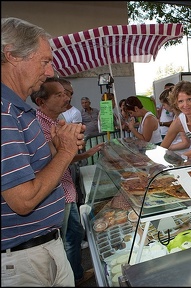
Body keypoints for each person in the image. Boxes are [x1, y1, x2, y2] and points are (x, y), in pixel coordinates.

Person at [1, 17, 85, 286]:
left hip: (42, 249)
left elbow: (35, 167)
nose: (49, 72)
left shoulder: (20, 109)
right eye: (45, 61)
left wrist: (60, 146)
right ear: (12, 56)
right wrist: (65, 152)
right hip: (26, 260)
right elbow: (23, 200)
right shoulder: (4, 112)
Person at [30, 78, 102, 285]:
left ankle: (76, 275)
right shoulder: (38, 125)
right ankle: (70, 278)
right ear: (41, 101)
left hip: (65, 189)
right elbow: (51, 160)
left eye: (67, 93)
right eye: (59, 94)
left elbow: (65, 155)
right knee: (66, 240)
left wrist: (84, 153)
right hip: (55, 194)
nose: (67, 98)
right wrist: (67, 148)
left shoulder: (56, 122)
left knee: (74, 234)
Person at [159, 87, 190, 153]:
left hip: (183, 153)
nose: (163, 107)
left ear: (170, 103)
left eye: (164, 105)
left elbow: (185, 143)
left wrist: (168, 147)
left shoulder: (180, 117)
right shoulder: (176, 116)